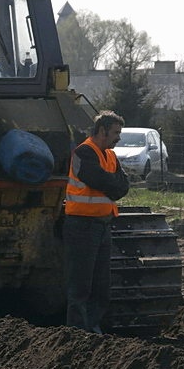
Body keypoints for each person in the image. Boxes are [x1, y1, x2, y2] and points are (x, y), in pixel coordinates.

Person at [63, 110, 130, 334]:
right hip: (82, 226)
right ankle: (78, 331)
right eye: (115, 133)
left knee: (101, 287)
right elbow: (99, 179)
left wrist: (111, 184)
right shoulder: (84, 152)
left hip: (102, 225)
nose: (118, 138)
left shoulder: (110, 155)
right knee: (81, 285)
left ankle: (92, 327)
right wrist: (112, 184)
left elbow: (122, 185)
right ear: (102, 131)